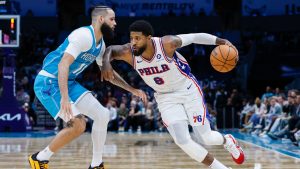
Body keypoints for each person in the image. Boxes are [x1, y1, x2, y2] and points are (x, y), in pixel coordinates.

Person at [101, 20, 245, 169]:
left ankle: (228, 141)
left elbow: (195, 37)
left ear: (149, 38)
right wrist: (106, 61)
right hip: (165, 97)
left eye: (137, 38)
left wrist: (222, 41)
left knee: (206, 137)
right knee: (182, 140)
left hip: (187, 89)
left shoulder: (167, 43)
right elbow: (110, 49)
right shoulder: (128, 52)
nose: (133, 43)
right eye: (131, 38)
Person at [28, 7, 146, 169]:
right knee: (78, 125)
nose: (115, 23)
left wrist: (132, 90)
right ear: (100, 19)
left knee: (103, 114)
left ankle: (96, 164)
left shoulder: (101, 45)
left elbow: (109, 74)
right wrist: (64, 98)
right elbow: (63, 64)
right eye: (112, 19)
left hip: (68, 82)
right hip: (49, 82)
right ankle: (40, 158)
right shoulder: (83, 35)